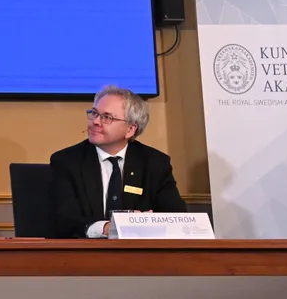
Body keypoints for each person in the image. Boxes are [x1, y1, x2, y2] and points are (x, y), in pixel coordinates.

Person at [48, 86, 185, 238]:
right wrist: (106, 228)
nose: (96, 122)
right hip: (85, 254)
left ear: (130, 129)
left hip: (140, 255)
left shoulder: (154, 163)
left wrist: (148, 223)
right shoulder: (67, 161)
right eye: (94, 113)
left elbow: (177, 217)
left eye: (107, 117)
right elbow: (64, 220)